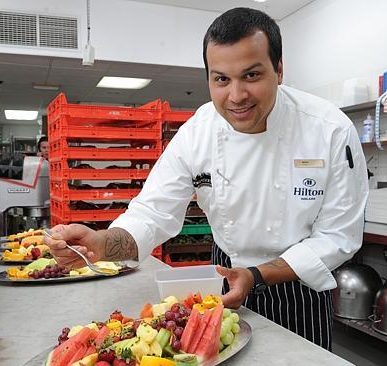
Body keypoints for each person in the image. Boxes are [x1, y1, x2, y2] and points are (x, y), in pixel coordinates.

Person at [45, 7, 368, 350]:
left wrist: (257, 275)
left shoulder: (330, 130)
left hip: (298, 284)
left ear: (279, 70)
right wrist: (100, 243)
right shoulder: (198, 131)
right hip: (225, 278)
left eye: (252, 75)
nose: (236, 95)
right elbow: (152, 213)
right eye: (222, 79)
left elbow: (338, 236)